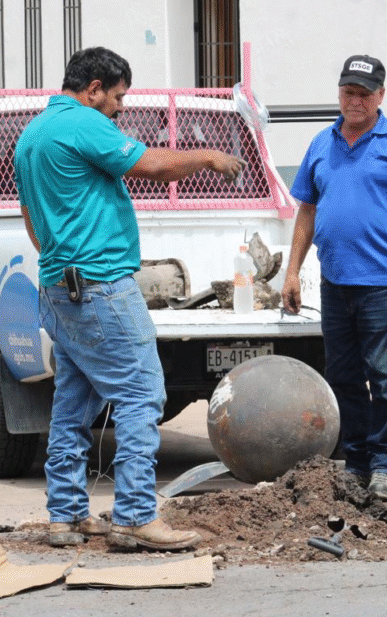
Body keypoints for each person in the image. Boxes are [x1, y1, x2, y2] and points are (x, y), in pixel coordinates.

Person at [14, 47, 244, 550]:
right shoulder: (83, 123)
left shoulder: (32, 134)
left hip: (58, 288)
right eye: (117, 97)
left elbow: (31, 219)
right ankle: (136, 514)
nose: (121, 108)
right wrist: (208, 156)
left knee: (73, 403)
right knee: (142, 393)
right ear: (93, 88)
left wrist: (62, 256)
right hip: (100, 287)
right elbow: (152, 165)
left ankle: (66, 515)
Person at [281, 54, 387, 502]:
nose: (355, 101)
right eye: (349, 92)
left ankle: (384, 465)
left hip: (381, 283)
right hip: (335, 282)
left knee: (384, 378)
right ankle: (357, 461)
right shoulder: (321, 144)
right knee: (343, 376)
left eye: (364, 94)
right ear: (340, 94)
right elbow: (307, 210)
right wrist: (292, 271)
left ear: (380, 95)